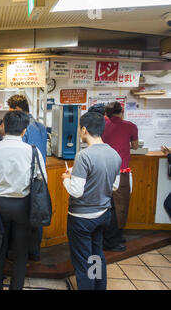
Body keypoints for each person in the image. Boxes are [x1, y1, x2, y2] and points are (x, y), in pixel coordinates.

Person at [0, 110, 46, 290]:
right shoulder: (32, 152)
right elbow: (42, 180)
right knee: (20, 253)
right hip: (23, 206)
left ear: (3, 128)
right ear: (24, 130)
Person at [62, 111, 121, 290]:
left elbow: (77, 191)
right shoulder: (114, 154)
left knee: (82, 263)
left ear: (84, 130)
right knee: (96, 255)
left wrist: (65, 178)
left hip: (81, 219)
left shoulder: (83, 155)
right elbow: (114, 186)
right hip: (103, 215)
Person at [7, 94, 47, 263]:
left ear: (18, 110)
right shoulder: (40, 125)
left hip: (26, 180)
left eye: (11, 112)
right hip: (39, 179)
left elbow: (21, 156)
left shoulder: (24, 128)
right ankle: (34, 254)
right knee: (35, 217)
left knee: (23, 221)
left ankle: (21, 257)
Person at [102, 101, 139, 252]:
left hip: (104, 171)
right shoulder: (130, 126)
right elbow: (135, 146)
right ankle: (112, 241)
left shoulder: (103, 125)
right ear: (121, 111)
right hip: (121, 171)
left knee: (106, 205)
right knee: (120, 207)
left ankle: (109, 237)